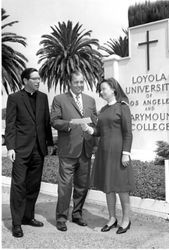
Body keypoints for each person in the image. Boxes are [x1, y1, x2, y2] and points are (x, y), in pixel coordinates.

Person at [81, 77, 134, 234]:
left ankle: (126, 220)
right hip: (104, 153)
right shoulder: (103, 110)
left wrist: (126, 153)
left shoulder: (122, 107)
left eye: (104, 89)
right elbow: (99, 131)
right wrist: (89, 129)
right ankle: (112, 218)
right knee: (108, 187)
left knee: (122, 188)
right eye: (101, 89)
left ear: (113, 89)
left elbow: (128, 133)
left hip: (118, 153)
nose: (101, 92)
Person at [5, 68, 53, 238]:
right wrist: (10, 147)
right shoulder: (14, 98)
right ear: (25, 80)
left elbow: (46, 122)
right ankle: (16, 223)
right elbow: (10, 125)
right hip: (20, 150)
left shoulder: (43, 97)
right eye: (34, 79)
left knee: (33, 186)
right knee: (19, 186)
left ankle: (28, 216)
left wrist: (49, 145)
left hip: (38, 150)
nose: (38, 81)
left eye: (39, 79)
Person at [51, 69, 97, 232]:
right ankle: (61, 218)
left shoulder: (90, 100)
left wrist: (93, 132)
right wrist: (70, 124)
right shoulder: (59, 99)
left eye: (81, 82)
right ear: (70, 83)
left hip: (85, 149)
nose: (80, 85)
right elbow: (54, 121)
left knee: (82, 186)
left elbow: (95, 122)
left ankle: (77, 214)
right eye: (76, 82)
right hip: (68, 150)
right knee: (65, 186)